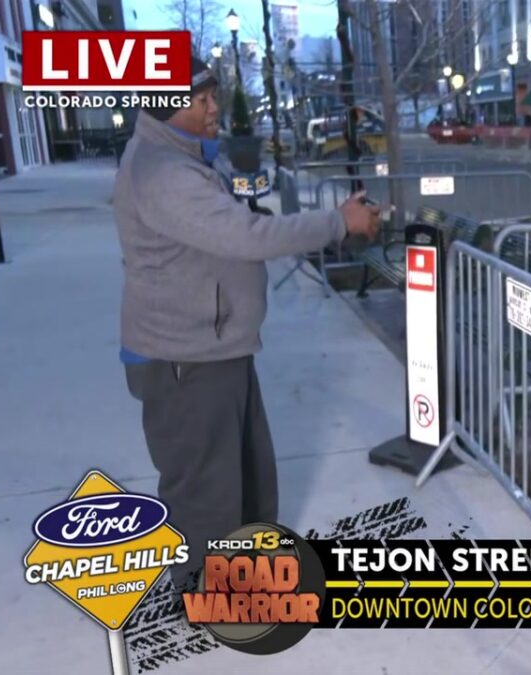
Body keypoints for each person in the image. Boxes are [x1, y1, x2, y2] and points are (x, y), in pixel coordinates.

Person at [112, 58, 381, 596]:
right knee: (206, 497)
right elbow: (247, 236)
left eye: (214, 95)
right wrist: (338, 223)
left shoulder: (179, 158)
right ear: (168, 105)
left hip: (213, 349)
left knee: (247, 478)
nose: (215, 107)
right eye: (201, 99)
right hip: (186, 360)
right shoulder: (164, 173)